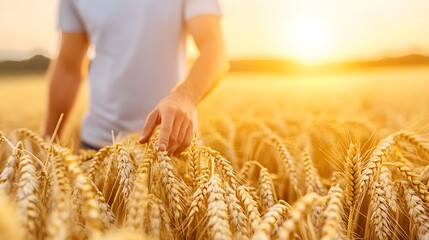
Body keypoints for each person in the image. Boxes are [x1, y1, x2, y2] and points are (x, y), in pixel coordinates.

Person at [44, 0, 229, 154]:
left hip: (170, 145)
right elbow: (69, 67)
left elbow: (214, 48)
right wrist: (49, 142)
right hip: (95, 147)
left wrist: (185, 97)